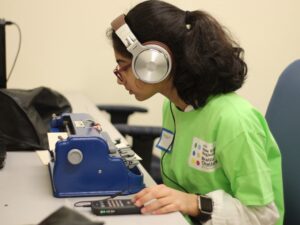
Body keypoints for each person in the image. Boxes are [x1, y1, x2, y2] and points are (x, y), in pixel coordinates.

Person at [107, 1, 284, 224]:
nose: (119, 78)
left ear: (154, 62)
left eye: (123, 65)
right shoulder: (173, 107)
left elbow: (264, 215)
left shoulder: (234, 121)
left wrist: (193, 203)